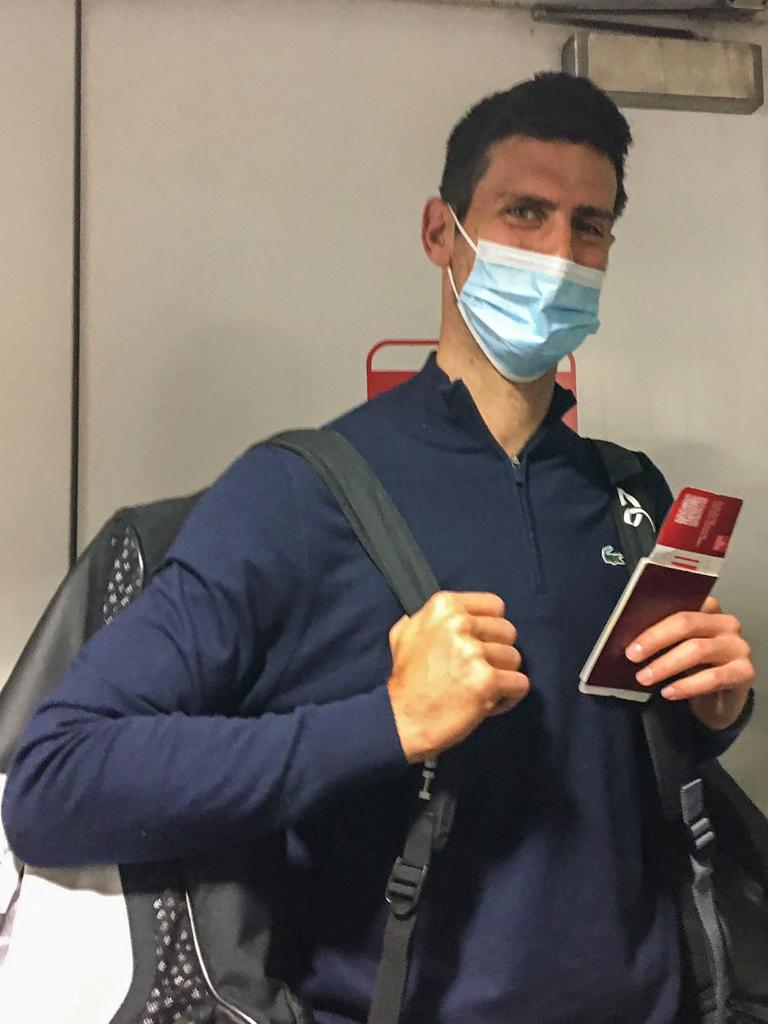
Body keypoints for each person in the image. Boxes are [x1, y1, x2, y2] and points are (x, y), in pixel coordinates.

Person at [2, 73, 755, 1024]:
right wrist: (388, 723)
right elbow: (55, 780)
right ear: (443, 233)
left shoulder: (627, 493)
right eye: (524, 212)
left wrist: (716, 707)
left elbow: (607, 751)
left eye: (589, 225)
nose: (561, 254)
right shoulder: (298, 494)